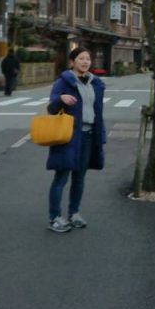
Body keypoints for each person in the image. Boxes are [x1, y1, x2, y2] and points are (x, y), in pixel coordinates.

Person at [45, 47, 106, 233]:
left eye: (88, 58)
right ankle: (55, 217)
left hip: (88, 136)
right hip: (68, 136)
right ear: (72, 62)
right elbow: (51, 108)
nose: (85, 62)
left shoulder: (96, 83)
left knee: (79, 177)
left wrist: (100, 135)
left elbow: (98, 112)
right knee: (61, 177)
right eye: (81, 58)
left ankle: (74, 213)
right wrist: (60, 99)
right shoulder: (63, 83)